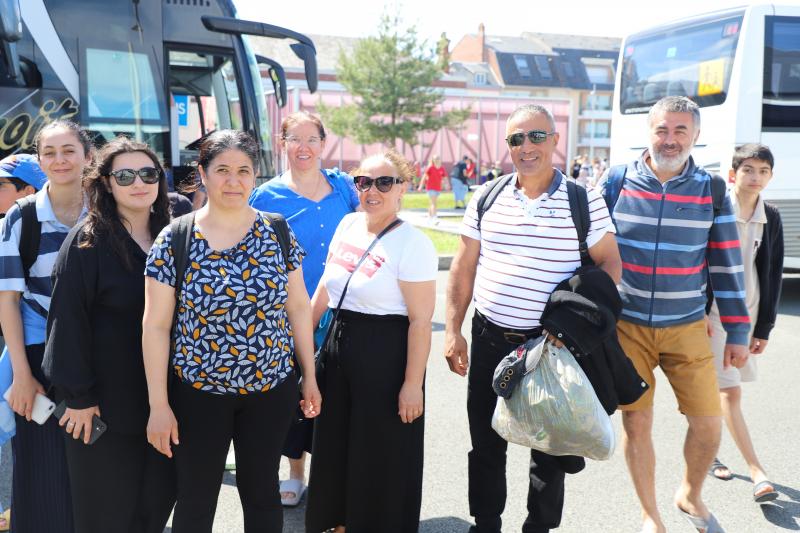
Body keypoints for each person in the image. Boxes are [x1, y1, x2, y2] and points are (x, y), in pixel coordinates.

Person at [445, 104, 620, 533]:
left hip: (549, 346)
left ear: (555, 140)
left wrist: (576, 329)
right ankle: (486, 522)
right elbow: (463, 267)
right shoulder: (487, 196)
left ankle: (538, 528)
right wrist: (452, 330)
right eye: (516, 139)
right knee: (485, 441)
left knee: (549, 447)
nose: (526, 147)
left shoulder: (584, 199)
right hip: (488, 336)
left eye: (536, 136)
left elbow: (610, 266)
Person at [143, 130, 321, 533]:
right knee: (196, 496)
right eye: (222, 170)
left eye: (243, 171)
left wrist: (308, 375)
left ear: (255, 176)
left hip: (271, 388)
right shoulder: (176, 237)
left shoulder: (276, 231)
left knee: (262, 495)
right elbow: (155, 326)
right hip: (197, 393)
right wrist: (158, 404)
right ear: (203, 175)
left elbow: (296, 307)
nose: (233, 180)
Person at [603, 96, 750, 533]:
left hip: (686, 327)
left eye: (680, 131)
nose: (670, 139)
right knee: (637, 419)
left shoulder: (712, 189)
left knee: (708, 425)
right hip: (627, 327)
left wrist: (739, 330)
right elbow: (591, 253)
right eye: (662, 130)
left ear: (696, 135)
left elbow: (726, 264)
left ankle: (689, 493)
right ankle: (651, 515)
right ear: (649, 132)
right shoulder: (615, 182)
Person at [43, 137, 176, 533]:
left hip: (164, 403)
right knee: (105, 515)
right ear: (106, 183)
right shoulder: (86, 241)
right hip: (101, 407)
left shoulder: (175, 236)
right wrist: (79, 398)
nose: (139, 182)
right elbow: (66, 322)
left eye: (148, 173)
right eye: (125, 175)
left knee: (153, 508)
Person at [306, 149, 437, 533]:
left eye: (384, 182)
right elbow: (324, 293)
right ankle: (339, 522)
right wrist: (298, 345)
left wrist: (412, 385)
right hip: (338, 345)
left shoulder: (412, 244)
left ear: (403, 188)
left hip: (387, 355)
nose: (372, 190)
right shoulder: (347, 224)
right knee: (336, 444)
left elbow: (421, 321)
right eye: (363, 181)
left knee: (379, 452)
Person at [249, 110, 359, 506]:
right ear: (283, 144)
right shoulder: (266, 197)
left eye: (312, 139)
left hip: (344, 311)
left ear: (323, 144)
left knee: (338, 397)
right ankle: (295, 472)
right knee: (295, 397)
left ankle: (334, 476)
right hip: (291, 314)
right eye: (295, 139)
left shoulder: (345, 188)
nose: (304, 147)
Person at [0, 120, 91, 533]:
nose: (60, 160)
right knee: (40, 471)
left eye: (68, 150)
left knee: (94, 469)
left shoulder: (108, 210)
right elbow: (8, 301)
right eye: (49, 153)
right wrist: (20, 374)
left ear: (88, 156)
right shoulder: (22, 217)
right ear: (39, 161)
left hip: (97, 356)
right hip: (38, 357)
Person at [706, 144, 783, 504]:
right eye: (748, 169)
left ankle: (708, 452)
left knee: (718, 390)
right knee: (729, 391)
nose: (755, 177)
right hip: (715, 316)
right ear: (734, 173)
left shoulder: (772, 216)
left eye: (763, 171)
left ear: (770, 176)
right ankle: (757, 472)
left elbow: (772, 273)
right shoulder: (718, 207)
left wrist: (763, 328)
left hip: (748, 317)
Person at [0, 153, 48, 532]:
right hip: (20, 354)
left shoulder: (23, 223)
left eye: (1, 185)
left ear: (27, 191)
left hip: (40, 353)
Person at [418, 155, 448, 222]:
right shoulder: (430, 168)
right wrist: (420, 186)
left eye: (438, 159)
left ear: (440, 160)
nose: (437, 160)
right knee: (434, 203)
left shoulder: (442, 168)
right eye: (435, 159)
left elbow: (445, 177)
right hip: (430, 187)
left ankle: (429, 217)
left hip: (438, 188)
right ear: (433, 160)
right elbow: (424, 177)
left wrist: (447, 185)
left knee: (432, 202)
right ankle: (435, 217)